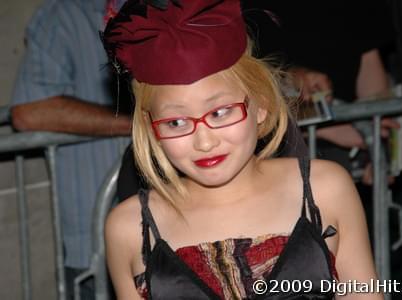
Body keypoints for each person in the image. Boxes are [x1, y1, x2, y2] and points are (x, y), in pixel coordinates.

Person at [102, 0, 381, 299]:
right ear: (150, 128)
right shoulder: (129, 227)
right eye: (177, 122)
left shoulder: (325, 189)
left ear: (260, 104)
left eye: (221, 112)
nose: (205, 142)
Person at [9, 0, 131, 298]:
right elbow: (29, 112)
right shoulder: (62, 15)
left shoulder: (170, 7)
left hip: (177, 228)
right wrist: (139, 124)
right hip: (94, 246)